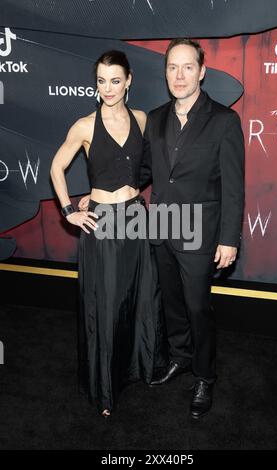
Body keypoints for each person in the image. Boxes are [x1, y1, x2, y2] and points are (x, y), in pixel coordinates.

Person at [50, 50, 168, 418]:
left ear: (129, 80)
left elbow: (143, 167)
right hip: (101, 222)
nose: (108, 88)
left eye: (115, 80)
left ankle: (139, 369)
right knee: (107, 305)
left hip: (134, 216)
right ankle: (105, 388)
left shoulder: (141, 119)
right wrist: (70, 210)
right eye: (101, 81)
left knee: (141, 297)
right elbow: (56, 166)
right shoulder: (84, 125)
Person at [139, 38, 245, 419]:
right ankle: (180, 358)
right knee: (172, 305)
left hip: (200, 234)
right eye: (172, 67)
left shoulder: (224, 120)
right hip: (161, 229)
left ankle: (204, 375)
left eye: (187, 67)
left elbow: (234, 187)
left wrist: (229, 239)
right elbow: (145, 173)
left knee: (199, 308)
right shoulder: (154, 118)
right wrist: (104, 191)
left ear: (202, 72)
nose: (179, 75)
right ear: (165, 72)